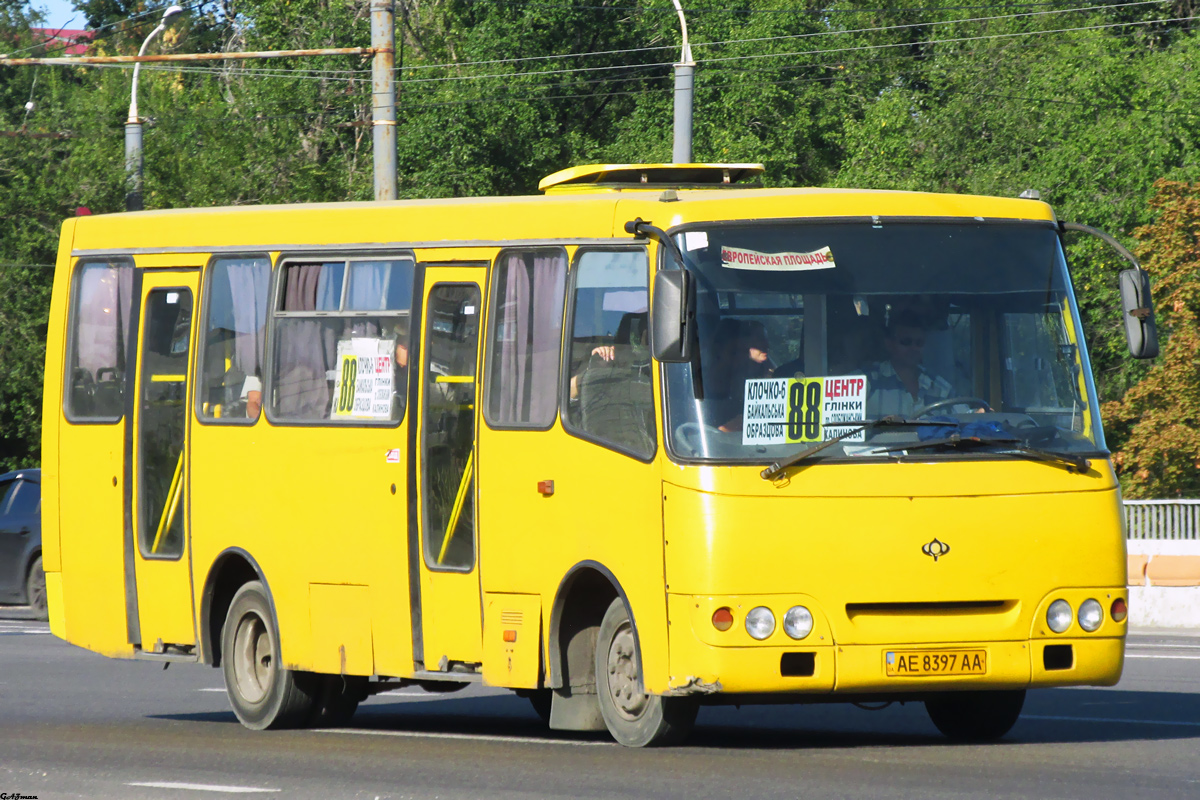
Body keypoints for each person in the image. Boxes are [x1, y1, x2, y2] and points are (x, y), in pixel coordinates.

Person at [865, 311, 954, 418]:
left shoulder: (941, 388)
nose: (914, 348)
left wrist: (977, 413)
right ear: (889, 344)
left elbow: (966, 417)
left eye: (919, 343)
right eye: (906, 342)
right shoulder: (867, 383)